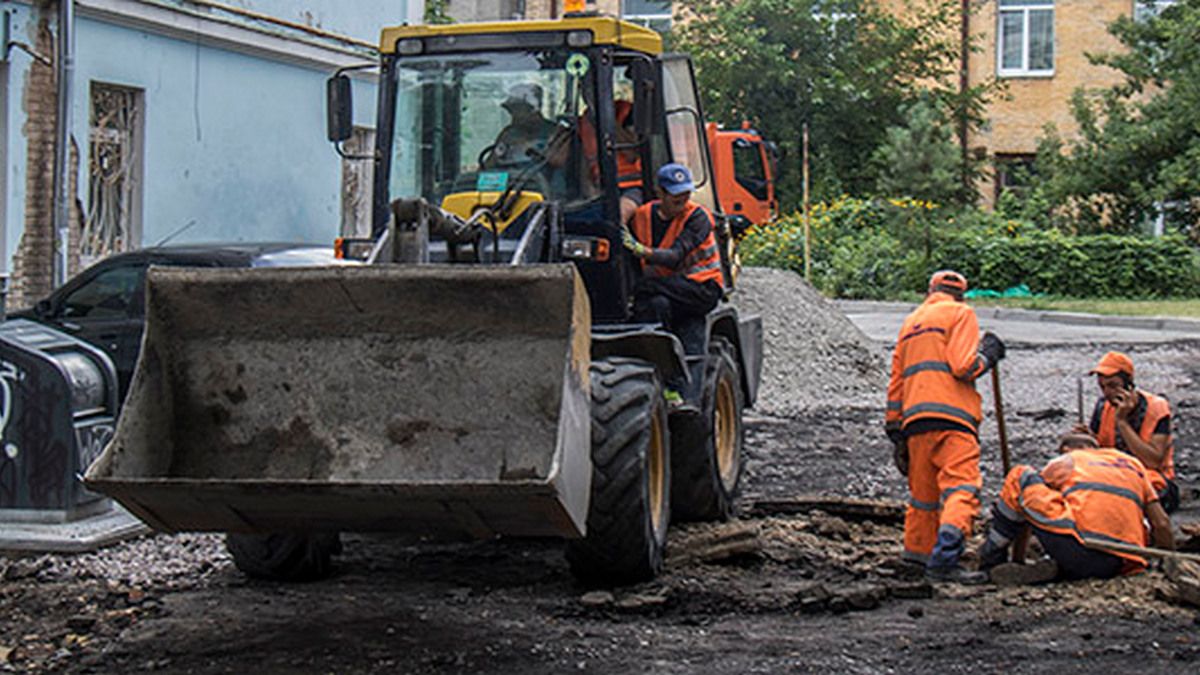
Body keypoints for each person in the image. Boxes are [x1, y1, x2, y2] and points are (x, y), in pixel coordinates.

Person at [884, 270, 1006, 584]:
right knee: (961, 488)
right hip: (953, 418)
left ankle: (916, 557)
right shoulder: (960, 313)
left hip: (915, 422)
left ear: (931, 290)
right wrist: (988, 355)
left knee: (923, 496)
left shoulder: (911, 322)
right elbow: (964, 365)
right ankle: (945, 559)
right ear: (961, 294)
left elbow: (896, 379)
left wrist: (895, 429)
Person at [977, 432, 1174, 581]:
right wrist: (1170, 565)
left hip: (1080, 552)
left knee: (1021, 477)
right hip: (1120, 563)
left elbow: (1027, 504)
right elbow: (1162, 523)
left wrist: (1018, 558)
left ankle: (992, 557)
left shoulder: (1068, 461)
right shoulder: (1133, 464)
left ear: (1067, 450)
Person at [621, 163, 724, 406]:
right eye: (676, 194)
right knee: (654, 303)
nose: (682, 198)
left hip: (702, 287)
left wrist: (641, 251)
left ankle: (679, 386)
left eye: (686, 192)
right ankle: (667, 382)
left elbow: (676, 255)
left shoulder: (697, 218)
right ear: (660, 193)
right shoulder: (644, 216)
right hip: (670, 288)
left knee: (644, 290)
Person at [1072, 351, 1179, 512]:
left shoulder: (1156, 407)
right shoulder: (1103, 406)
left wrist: (1122, 422)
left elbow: (1153, 460)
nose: (1107, 392)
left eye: (1113, 386)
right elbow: (1099, 449)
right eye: (1102, 387)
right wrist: (1087, 439)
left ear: (1129, 384)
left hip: (1152, 478)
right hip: (1113, 473)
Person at [485, 84, 557, 169]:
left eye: (517, 110)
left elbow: (562, 167)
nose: (513, 115)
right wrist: (500, 151)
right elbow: (487, 167)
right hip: (513, 180)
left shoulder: (555, 133)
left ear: (532, 109)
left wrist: (528, 147)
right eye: (511, 111)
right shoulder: (508, 134)